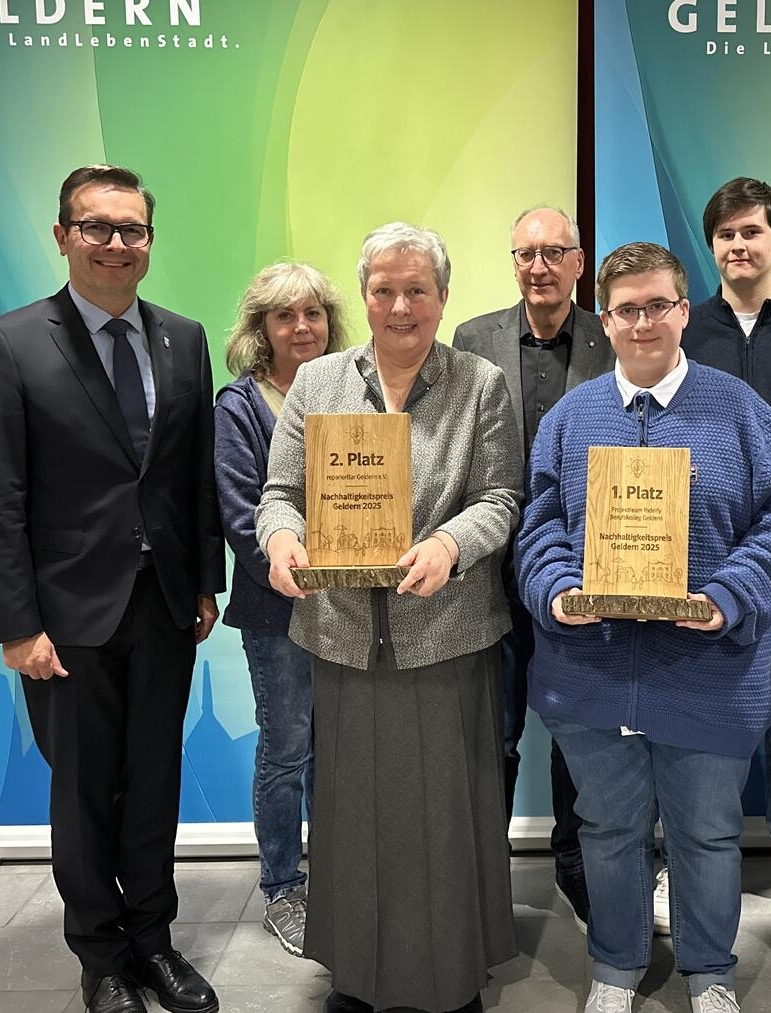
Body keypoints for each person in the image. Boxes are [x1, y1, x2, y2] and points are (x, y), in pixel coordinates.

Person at [517, 242, 771, 1013]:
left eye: (658, 305)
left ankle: (709, 971)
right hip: (593, 672)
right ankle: (614, 968)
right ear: (604, 319)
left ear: (684, 311)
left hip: (709, 670)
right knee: (608, 834)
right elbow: (539, 524)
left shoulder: (739, 410)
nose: (642, 322)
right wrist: (556, 590)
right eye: (625, 309)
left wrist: (730, 593)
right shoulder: (571, 416)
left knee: (708, 837)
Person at [0, 164, 224, 1013]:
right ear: (63, 235)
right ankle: (101, 957)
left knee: (155, 780)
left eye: (132, 230)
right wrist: (16, 624)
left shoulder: (183, 337)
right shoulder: (11, 343)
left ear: (150, 240)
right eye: (97, 227)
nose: (116, 244)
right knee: (82, 792)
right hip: (64, 617)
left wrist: (206, 582)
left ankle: (154, 942)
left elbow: (193, 478)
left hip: (164, 605)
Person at [257, 223, 521, 1013]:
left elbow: (501, 498)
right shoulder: (318, 383)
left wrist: (449, 542)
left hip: (445, 632)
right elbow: (278, 493)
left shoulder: (480, 384)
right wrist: (280, 539)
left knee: (443, 817)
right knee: (350, 819)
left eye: (417, 290)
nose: (399, 305)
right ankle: (359, 974)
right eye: (383, 290)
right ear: (364, 296)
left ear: (443, 297)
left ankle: (447, 977)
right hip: (340, 635)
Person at [452, 206, 614, 931]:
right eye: (526, 253)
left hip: (585, 573)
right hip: (491, 572)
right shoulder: (472, 339)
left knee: (579, 724)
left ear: (580, 263)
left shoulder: (615, 335)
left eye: (555, 252)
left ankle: (575, 861)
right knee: (496, 729)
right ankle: (482, 873)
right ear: (512, 262)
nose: (539, 266)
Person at [679, 176, 771, 931]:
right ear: (713, 246)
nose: (740, 246)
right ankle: (684, 859)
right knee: (691, 714)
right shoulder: (682, 325)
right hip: (693, 553)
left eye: (752, 232)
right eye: (727, 235)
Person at [214, 262, 350, 955]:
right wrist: (301, 562)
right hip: (278, 612)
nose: (302, 327)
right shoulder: (239, 406)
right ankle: (282, 885)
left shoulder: (355, 394)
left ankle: (332, 878)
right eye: (285, 316)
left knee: (338, 750)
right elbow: (243, 516)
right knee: (288, 745)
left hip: (352, 608)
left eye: (314, 313)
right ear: (262, 330)